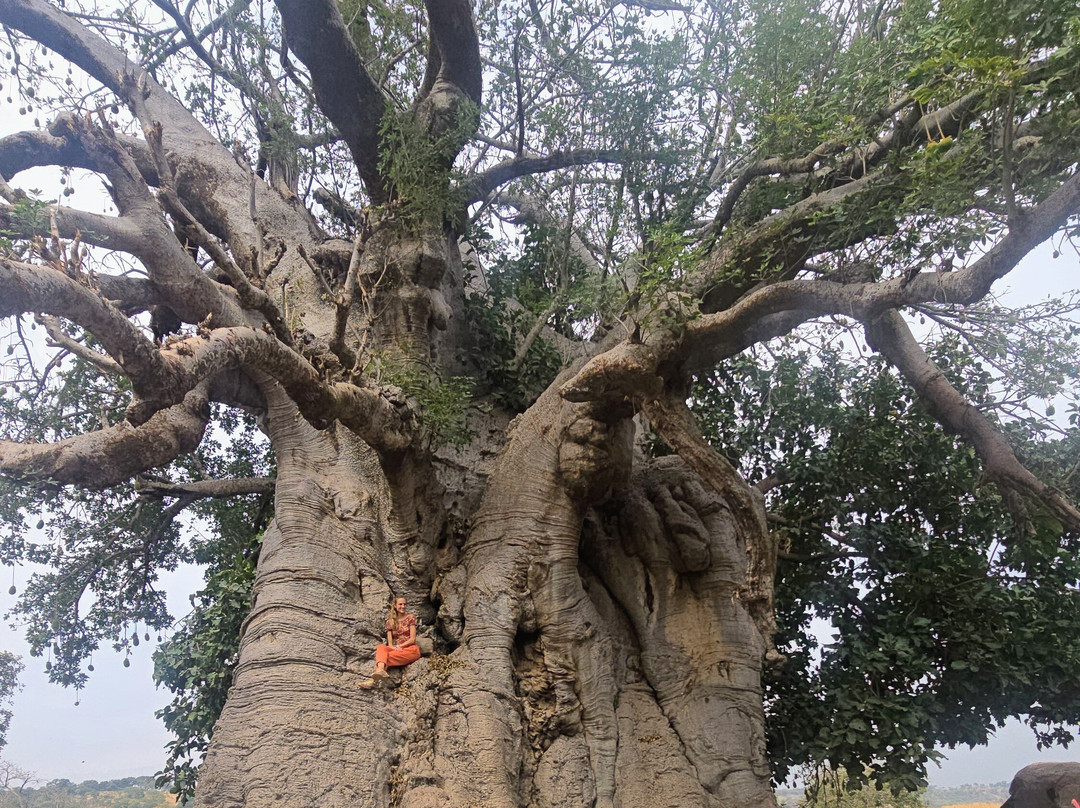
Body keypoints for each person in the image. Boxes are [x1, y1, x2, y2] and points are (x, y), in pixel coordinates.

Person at [358, 596, 420, 688]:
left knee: (384, 658)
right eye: (400, 604)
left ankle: (371, 681)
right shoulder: (390, 622)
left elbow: (412, 639)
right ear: (395, 605)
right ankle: (379, 672)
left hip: (411, 650)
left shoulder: (410, 617)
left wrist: (400, 646)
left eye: (404, 604)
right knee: (381, 647)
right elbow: (390, 644)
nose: (403, 606)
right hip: (398, 651)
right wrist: (394, 648)